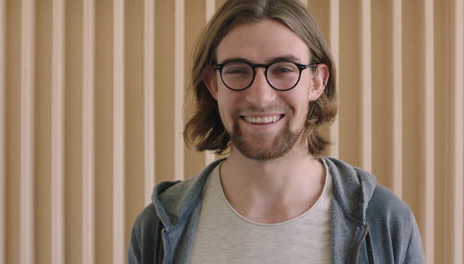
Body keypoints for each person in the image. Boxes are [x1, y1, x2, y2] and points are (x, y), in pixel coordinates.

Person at [128, 0, 425, 263]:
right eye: (237, 69)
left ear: (317, 81)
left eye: (283, 69)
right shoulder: (157, 227)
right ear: (212, 83)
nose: (260, 97)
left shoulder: (386, 221)